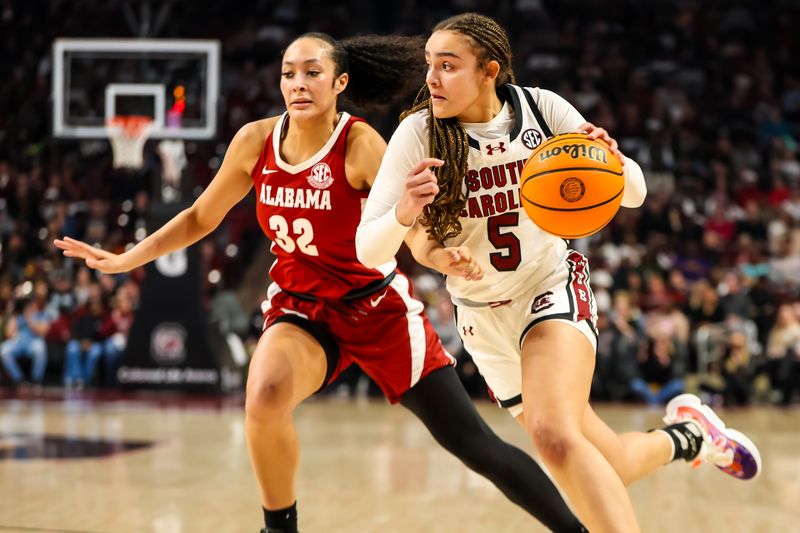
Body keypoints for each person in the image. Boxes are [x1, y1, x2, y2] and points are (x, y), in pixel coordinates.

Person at [56, 33, 587, 533]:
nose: (298, 84)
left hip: (376, 309)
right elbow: (199, 217)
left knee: (472, 444)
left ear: (340, 83)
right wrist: (127, 259)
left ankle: (573, 528)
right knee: (263, 396)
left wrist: (439, 255)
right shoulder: (255, 141)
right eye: (289, 74)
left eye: (312, 73)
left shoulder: (361, 145)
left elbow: (411, 227)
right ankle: (278, 527)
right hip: (303, 310)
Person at [356, 13, 762, 532]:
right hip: (482, 319)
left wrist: (610, 157)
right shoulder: (418, 134)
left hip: (548, 287)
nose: (431, 78)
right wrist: (406, 215)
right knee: (605, 461)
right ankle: (691, 436)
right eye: (429, 65)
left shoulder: (539, 109)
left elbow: (633, 193)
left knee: (552, 433)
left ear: (489, 71)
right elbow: (369, 251)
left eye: (448, 65)